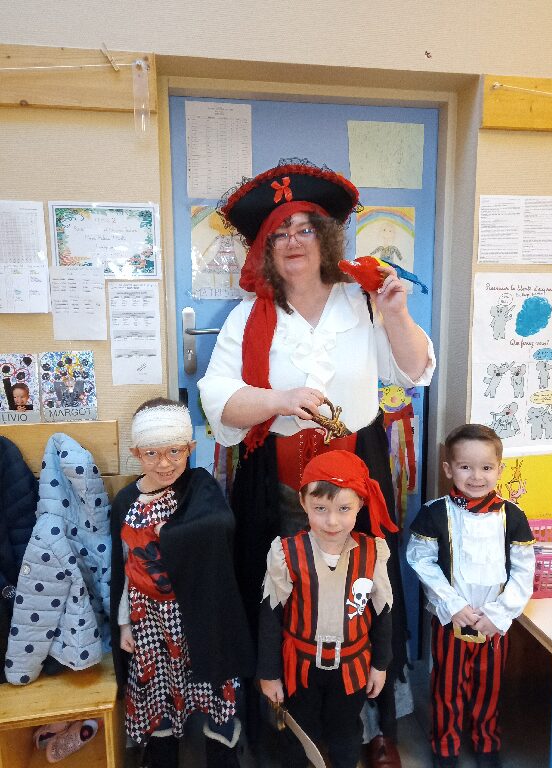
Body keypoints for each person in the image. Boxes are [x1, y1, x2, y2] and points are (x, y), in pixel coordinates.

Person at [198, 159, 435, 767]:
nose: (293, 241)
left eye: (305, 228)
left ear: (325, 237)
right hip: (277, 482)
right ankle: (287, 729)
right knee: (284, 599)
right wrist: (279, 400)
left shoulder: (364, 299)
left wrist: (397, 313)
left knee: (366, 590)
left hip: (358, 472)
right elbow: (219, 402)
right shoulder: (248, 318)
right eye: (279, 232)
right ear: (264, 249)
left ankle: (371, 725)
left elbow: (415, 370)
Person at [109, 398, 254, 768]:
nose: (164, 463)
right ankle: (161, 755)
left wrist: (171, 533)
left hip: (198, 614)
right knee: (157, 688)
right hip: (148, 620)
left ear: (190, 448)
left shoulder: (199, 487)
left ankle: (222, 753)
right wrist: (124, 623)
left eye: (175, 451)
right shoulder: (126, 501)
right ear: (136, 453)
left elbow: (221, 525)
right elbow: (124, 568)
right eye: (152, 453)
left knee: (213, 685)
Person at [406, 424, 536, 768]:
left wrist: (499, 613)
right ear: (449, 469)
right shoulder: (434, 513)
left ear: (499, 470)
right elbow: (421, 560)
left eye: (486, 467)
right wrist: (452, 605)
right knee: (447, 688)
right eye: (465, 466)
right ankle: (445, 746)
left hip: (494, 623)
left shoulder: (513, 516)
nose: (476, 476)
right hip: (452, 620)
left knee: (488, 689)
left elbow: (524, 571)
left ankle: (486, 743)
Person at [258, 451, 394, 768]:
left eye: (344, 509)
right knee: (299, 736)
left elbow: (383, 613)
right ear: (303, 503)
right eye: (320, 509)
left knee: (345, 734)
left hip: (352, 668)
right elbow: (270, 617)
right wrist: (269, 674)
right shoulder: (286, 553)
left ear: (360, 504)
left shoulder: (373, 552)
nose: (332, 521)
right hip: (301, 668)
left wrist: (381, 664)